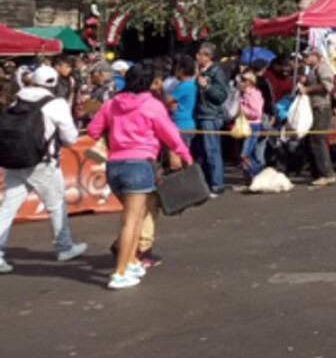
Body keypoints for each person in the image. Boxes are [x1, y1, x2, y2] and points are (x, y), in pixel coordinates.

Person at [86, 63, 191, 290]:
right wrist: (185, 155)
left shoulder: (111, 103)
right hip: (139, 164)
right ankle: (119, 272)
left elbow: (93, 130)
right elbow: (170, 135)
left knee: (135, 216)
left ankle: (131, 262)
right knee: (132, 220)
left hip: (114, 164)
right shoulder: (152, 105)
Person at [0, 64, 90, 275]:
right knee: (56, 204)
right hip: (42, 162)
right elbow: (70, 138)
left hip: (14, 160)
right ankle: (64, 246)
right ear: (53, 82)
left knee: (7, 207)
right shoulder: (56, 104)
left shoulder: (17, 100)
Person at [191, 44, 229, 196]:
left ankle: (217, 183)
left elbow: (222, 95)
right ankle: (204, 182)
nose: (197, 57)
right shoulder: (198, 71)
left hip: (210, 115)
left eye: (200, 54)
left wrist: (206, 87)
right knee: (200, 152)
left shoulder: (216, 72)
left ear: (208, 56)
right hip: (198, 113)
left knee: (211, 149)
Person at [298, 47, 336, 186]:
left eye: (307, 56)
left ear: (316, 55)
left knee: (318, 140)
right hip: (312, 108)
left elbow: (327, 86)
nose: (304, 59)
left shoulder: (323, 67)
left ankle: (327, 174)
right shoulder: (312, 70)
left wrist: (307, 89)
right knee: (311, 140)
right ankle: (317, 172)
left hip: (321, 107)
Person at [236, 69, 267, 180]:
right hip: (244, 125)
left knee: (245, 155)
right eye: (241, 80)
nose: (241, 82)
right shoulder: (243, 94)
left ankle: (258, 176)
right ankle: (249, 178)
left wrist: (243, 110)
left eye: (244, 80)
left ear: (251, 82)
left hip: (253, 125)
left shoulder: (253, 94)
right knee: (245, 154)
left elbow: (257, 112)